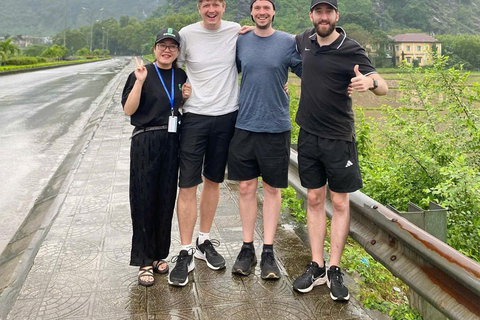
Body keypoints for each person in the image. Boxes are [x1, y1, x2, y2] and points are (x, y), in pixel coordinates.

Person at [291, 0, 388, 301]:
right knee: (315, 198)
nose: (323, 17)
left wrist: (367, 81)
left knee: (341, 203)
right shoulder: (304, 40)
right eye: (318, 12)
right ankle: (316, 264)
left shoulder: (351, 48)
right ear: (311, 16)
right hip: (308, 134)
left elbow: (383, 86)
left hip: (338, 138)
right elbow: (276, 41)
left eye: (328, 12)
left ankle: (334, 267)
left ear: (336, 16)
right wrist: (248, 30)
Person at [167, 0, 243, 287]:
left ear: (223, 6)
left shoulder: (237, 31)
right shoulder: (186, 34)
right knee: (187, 184)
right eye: (206, 4)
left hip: (226, 116)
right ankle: (185, 249)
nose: (211, 9)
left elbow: (258, 52)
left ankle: (203, 240)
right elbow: (173, 65)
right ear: (199, 7)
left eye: (216, 4)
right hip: (194, 117)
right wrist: (180, 91)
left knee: (213, 181)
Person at [228, 0, 301, 280]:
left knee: (272, 189)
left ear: (273, 12)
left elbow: (307, 70)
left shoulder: (286, 42)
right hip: (244, 123)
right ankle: (247, 248)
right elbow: (224, 71)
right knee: (246, 187)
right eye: (257, 8)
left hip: (275, 126)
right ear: (251, 13)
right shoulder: (241, 40)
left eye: (266, 8)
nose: (261, 12)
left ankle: (268, 251)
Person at [121, 28, 191, 287]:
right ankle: (143, 260)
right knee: (142, 199)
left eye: (172, 46)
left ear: (177, 51)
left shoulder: (180, 75)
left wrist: (183, 99)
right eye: (162, 44)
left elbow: (173, 107)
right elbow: (129, 110)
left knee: (165, 198)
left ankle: (160, 255)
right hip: (145, 140)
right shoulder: (141, 74)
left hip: (172, 141)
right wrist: (139, 82)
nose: (167, 50)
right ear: (155, 48)